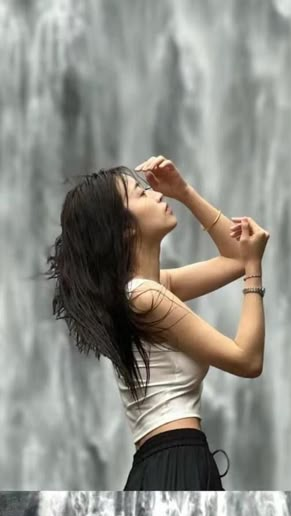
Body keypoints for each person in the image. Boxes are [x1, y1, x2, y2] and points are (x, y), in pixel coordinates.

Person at [47, 155, 270, 490]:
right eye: (141, 194)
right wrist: (255, 269)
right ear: (124, 228)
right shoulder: (145, 298)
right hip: (177, 458)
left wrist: (183, 191)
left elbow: (234, 257)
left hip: (163, 459)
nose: (156, 195)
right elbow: (247, 360)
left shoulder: (141, 292)